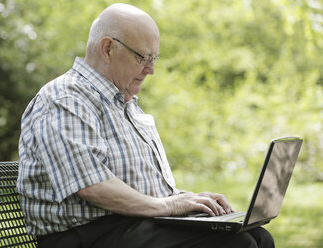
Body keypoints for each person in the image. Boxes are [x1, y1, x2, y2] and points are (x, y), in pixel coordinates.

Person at [17, 3, 275, 248]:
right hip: (86, 234)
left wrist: (190, 200)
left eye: (155, 59)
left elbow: (146, 190)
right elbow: (91, 185)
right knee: (236, 245)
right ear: (108, 49)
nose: (151, 69)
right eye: (143, 57)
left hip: (130, 224)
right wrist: (169, 206)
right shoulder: (66, 98)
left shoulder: (124, 103)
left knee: (257, 236)